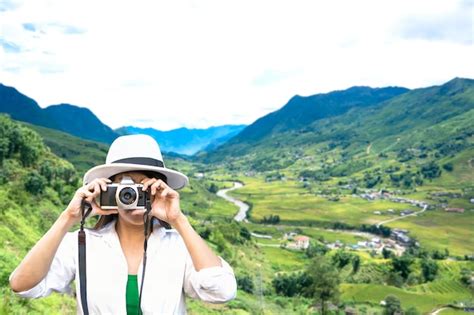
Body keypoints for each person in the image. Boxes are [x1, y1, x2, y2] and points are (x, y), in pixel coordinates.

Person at [9, 134, 237, 314]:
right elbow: (22, 285)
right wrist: (69, 216)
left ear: (160, 190)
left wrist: (178, 220)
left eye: (144, 186)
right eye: (125, 187)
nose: (133, 195)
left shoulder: (179, 248)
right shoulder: (82, 244)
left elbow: (222, 291)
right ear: (107, 191)